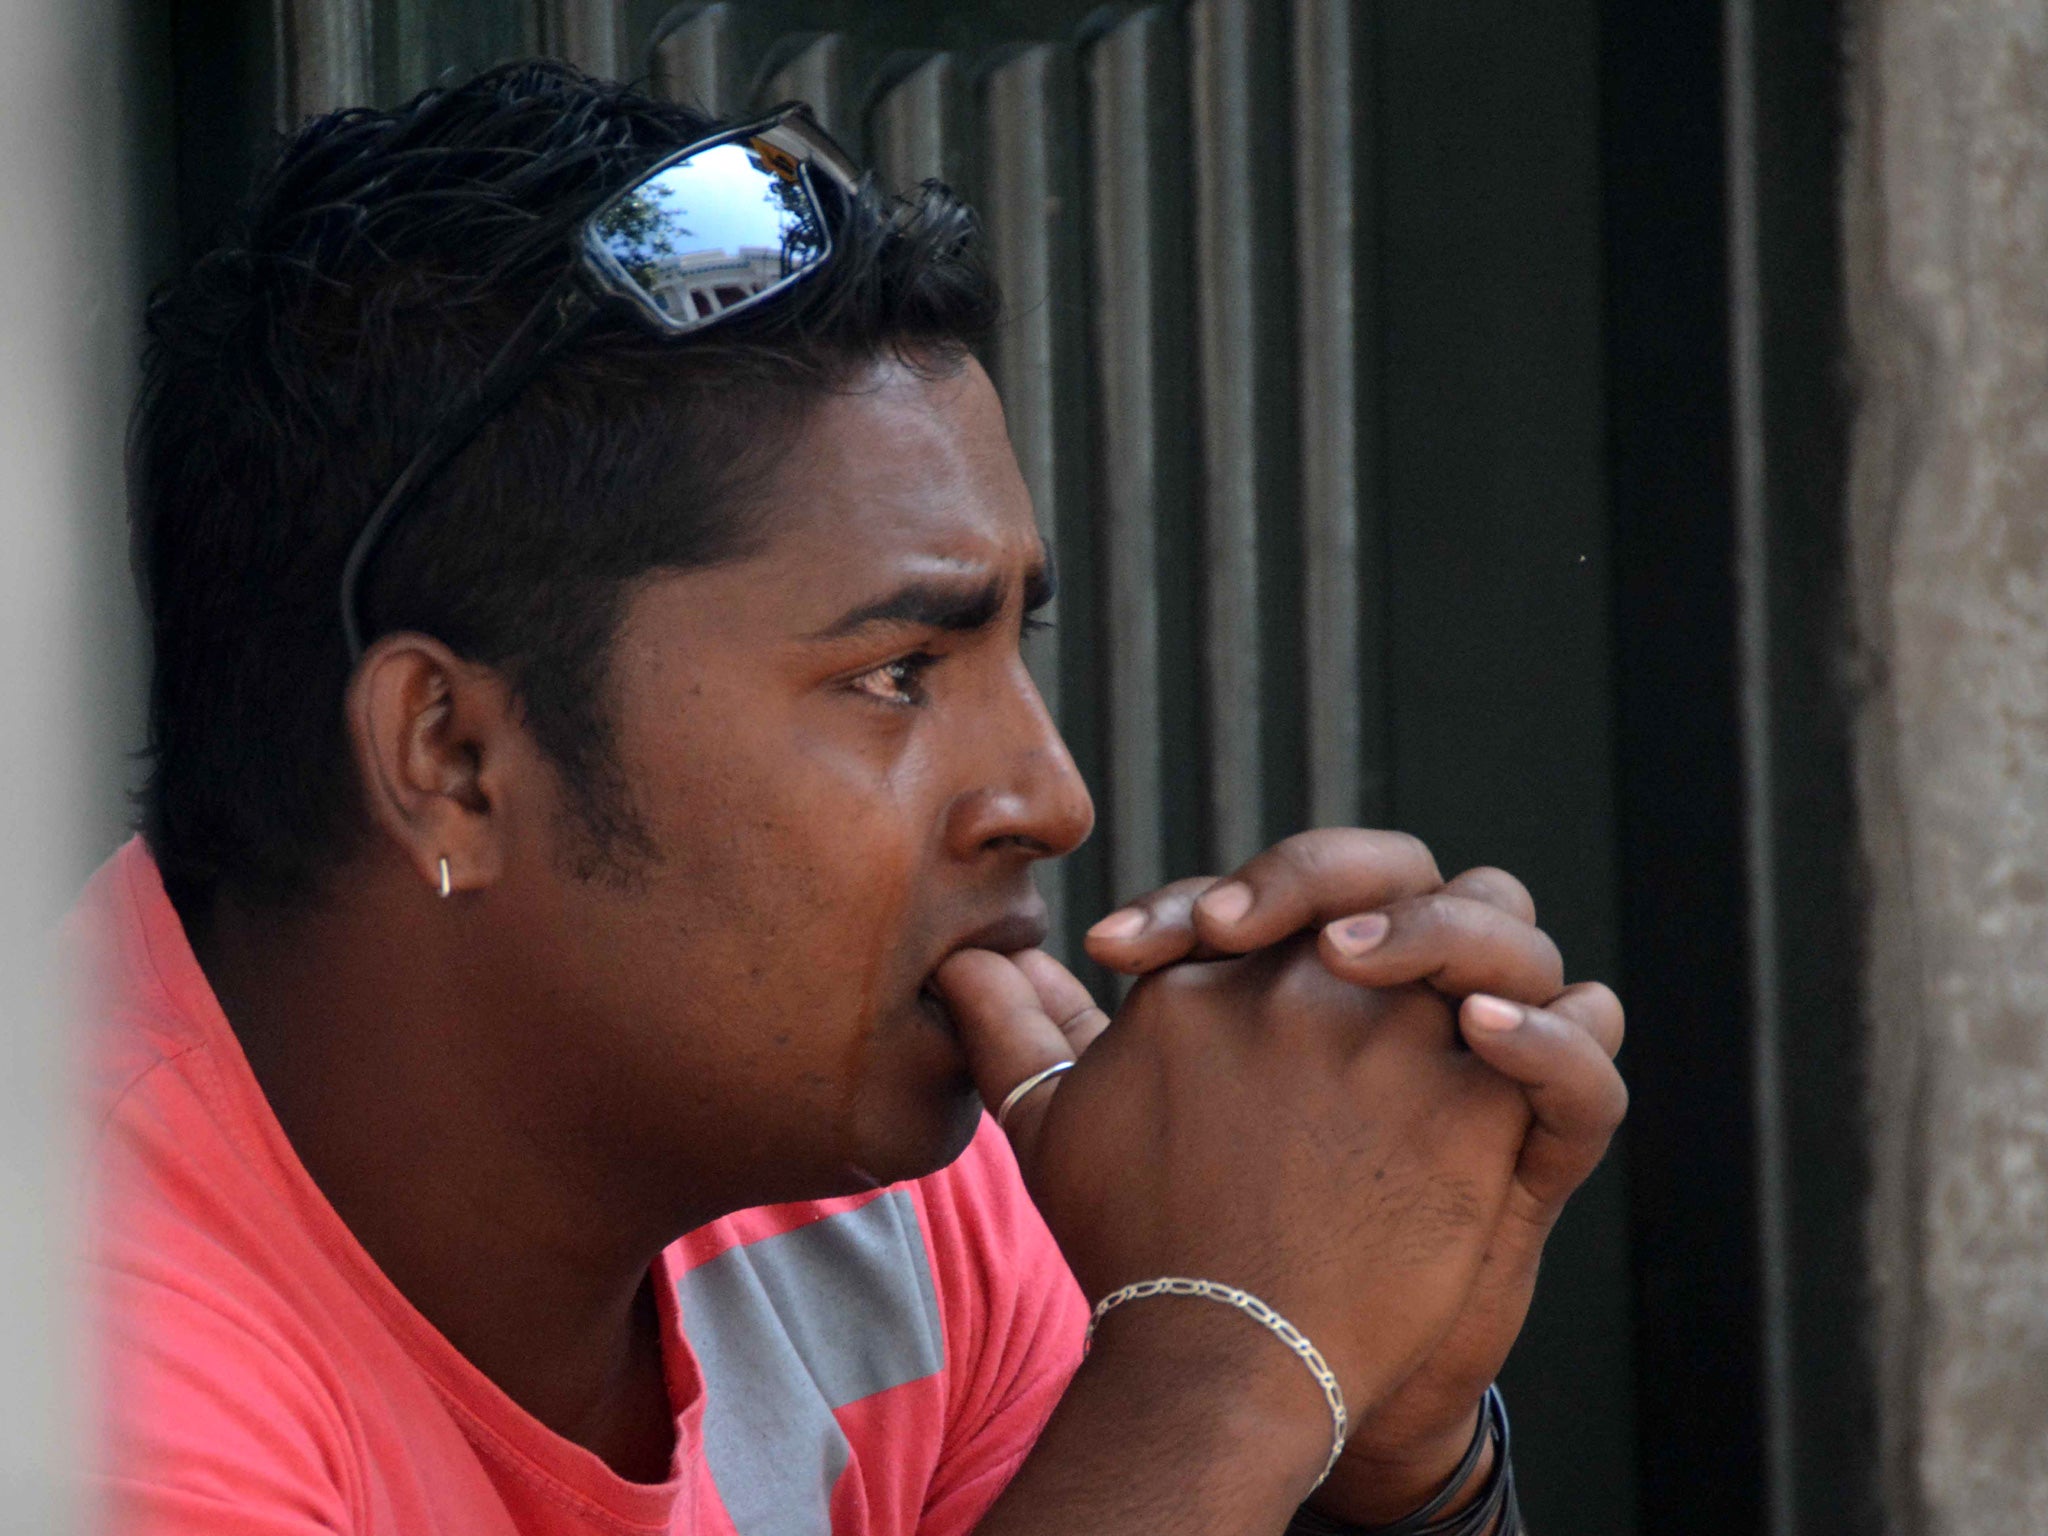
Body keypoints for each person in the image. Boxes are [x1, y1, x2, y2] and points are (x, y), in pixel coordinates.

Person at [86, 62, 1627, 1536]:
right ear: (452, 760)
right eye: (897, 672)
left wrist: (1389, 1457)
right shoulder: (87, 1362)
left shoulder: (882, 1183)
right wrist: (1226, 1372)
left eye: (1009, 644)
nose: (1053, 795)